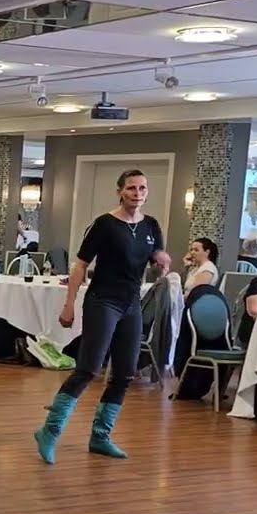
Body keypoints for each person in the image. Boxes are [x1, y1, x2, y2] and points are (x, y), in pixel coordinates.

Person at [34, 169, 171, 464]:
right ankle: (49, 431)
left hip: (131, 304)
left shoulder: (150, 225)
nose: (137, 193)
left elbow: (155, 259)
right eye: (131, 188)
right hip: (102, 301)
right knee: (88, 368)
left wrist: (161, 262)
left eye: (143, 188)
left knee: (124, 373)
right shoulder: (104, 225)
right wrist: (69, 305)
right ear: (119, 191)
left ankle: (100, 436)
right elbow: (80, 266)